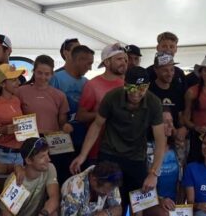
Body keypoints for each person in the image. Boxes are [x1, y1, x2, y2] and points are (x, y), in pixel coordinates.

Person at [70, 66, 167, 213]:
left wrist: (153, 173)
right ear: (125, 84)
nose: (136, 93)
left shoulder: (154, 102)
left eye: (142, 88)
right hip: (110, 154)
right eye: (132, 88)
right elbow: (96, 125)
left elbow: (160, 140)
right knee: (108, 201)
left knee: (140, 204)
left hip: (137, 157)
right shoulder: (112, 97)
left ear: (148, 86)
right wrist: (82, 155)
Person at [18, 55, 74, 184]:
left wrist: (66, 127)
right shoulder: (21, 91)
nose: (43, 77)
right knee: (28, 179)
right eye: (39, 73)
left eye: (47, 74)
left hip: (53, 142)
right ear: (34, 72)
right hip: (28, 141)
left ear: (52, 74)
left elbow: (62, 123)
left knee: (52, 178)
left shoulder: (60, 96)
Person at [77, 43, 128, 163]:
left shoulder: (128, 85)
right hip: (98, 151)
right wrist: (104, 113)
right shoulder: (93, 85)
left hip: (124, 151)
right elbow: (81, 116)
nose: (124, 62)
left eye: (125, 59)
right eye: (119, 59)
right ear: (107, 62)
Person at [50, 45, 94, 177]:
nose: (90, 68)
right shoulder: (56, 78)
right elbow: (49, 108)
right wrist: (61, 125)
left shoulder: (87, 82)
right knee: (60, 177)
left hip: (81, 140)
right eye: (88, 63)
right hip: (59, 141)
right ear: (79, 60)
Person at [1, 138, 60, 216]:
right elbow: (6, 213)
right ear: (28, 160)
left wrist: (43, 213)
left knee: (54, 213)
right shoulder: (16, 180)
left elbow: (54, 197)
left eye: (47, 154)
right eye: (42, 157)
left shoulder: (49, 168)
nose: (48, 159)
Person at [147, 52, 188, 150]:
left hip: (173, 144)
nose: (170, 74)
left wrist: (183, 129)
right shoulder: (148, 91)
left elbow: (180, 116)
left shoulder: (177, 90)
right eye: (165, 70)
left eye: (172, 69)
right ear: (156, 70)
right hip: (152, 142)